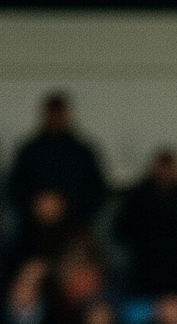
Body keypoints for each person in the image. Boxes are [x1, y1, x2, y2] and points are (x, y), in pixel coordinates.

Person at [6, 94, 107, 235]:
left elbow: (96, 190)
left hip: (74, 222)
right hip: (33, 224)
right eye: (52, 114)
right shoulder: (29, 150)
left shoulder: (83, 152)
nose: (55, 118)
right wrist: (37, 203)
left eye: (59, 114)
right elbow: (15, 187)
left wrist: (65, 205)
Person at [114, 150, 177, 298]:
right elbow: (121, 229)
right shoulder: (138, 196)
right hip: (143, 269)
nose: (166, 172)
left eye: (170, 168)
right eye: (163, 167)